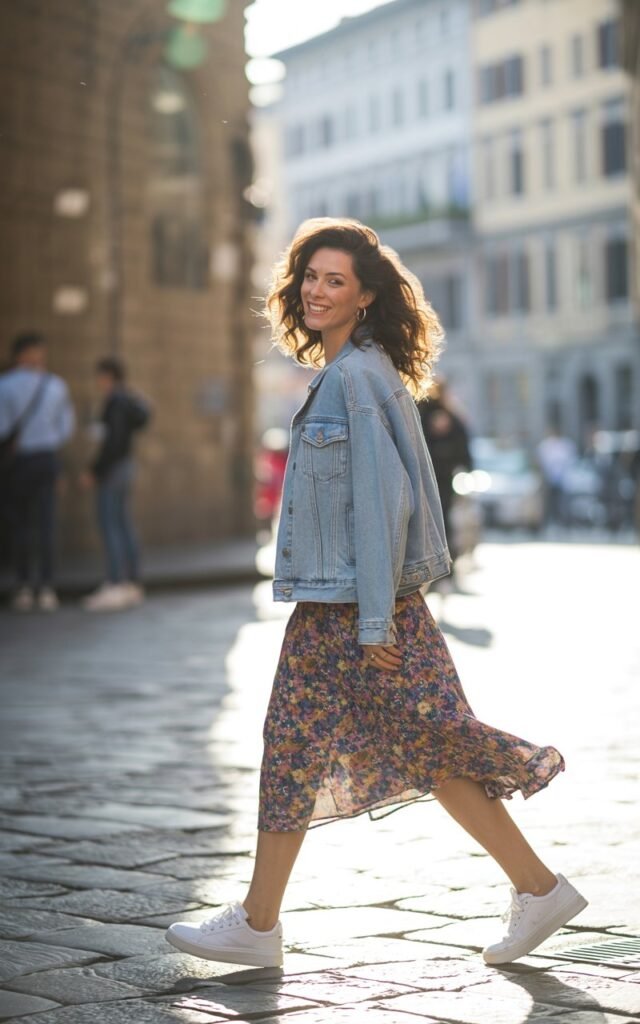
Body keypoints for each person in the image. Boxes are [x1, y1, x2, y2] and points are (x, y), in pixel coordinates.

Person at [166, 219, 587, 969]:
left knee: (356, 746)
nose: (317, 290)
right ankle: (535, 888)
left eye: (336, 280)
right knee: (419, 747)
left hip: (356, 609)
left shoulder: (355, 381)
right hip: (356, 605)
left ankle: (262, 925)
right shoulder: (357, 371)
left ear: (364, 297)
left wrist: (373, 622)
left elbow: (381, 502)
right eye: (311, 276)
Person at [0, 331, 75, 611]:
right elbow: (66, 428)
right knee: (46, 524)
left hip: (20, 461)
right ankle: (46, 588)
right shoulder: (55, 385)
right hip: (47, 459)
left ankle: (23, 587)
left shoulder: (5, 385)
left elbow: (2, 427)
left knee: (20, 526)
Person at [80, 357, 150, 612]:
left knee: (110, 523)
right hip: (125, 467)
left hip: (113, 470)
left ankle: (115, 583)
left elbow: (114, 442)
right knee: (123, 522)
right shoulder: (128, 399)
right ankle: (131, 582)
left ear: (108, 376)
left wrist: (94, 471)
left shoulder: (115, 401)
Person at [418, 378, 472, 581]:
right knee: (439, 522)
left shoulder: (439, 413)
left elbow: (463, 443)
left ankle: (442, 568)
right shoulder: (425, 411)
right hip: (434, 476)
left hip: (436, 476)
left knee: (438, 522)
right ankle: (441, 568)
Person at [537, 426, 577, 528]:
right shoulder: (545, 445)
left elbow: (571, 462)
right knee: (549, 502)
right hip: (549, 479)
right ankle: (549, 522)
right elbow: (541, 463)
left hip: (563, 480)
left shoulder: (565, 445)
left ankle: (563, 523)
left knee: (562, 503)